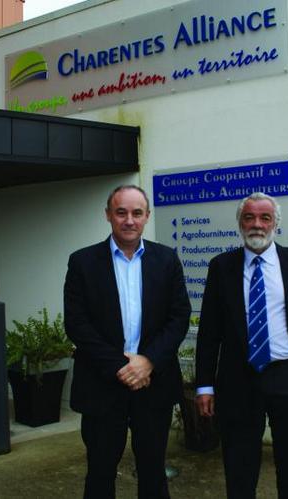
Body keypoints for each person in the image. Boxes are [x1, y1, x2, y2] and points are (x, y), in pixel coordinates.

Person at [195, 192, 288, 499]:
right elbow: (209, 331)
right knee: (239, 470)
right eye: (249, 218)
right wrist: (205, 385)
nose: (256, 224)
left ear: (276, 224)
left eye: (264, 218)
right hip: (238, 380)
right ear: (239, 223)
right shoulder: (221, 267)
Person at [64, 185, 191, 499]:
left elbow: (179, 318)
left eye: (137, 213)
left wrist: (147, 362)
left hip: (154, 385)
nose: (129, 220)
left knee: (153, 471)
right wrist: (123, 366)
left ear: (147, 216)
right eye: (121, 212)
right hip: (102, 386)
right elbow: (77, 325)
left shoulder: (167, 259)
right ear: (108, 215)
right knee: (100, 471)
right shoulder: (82, 262)